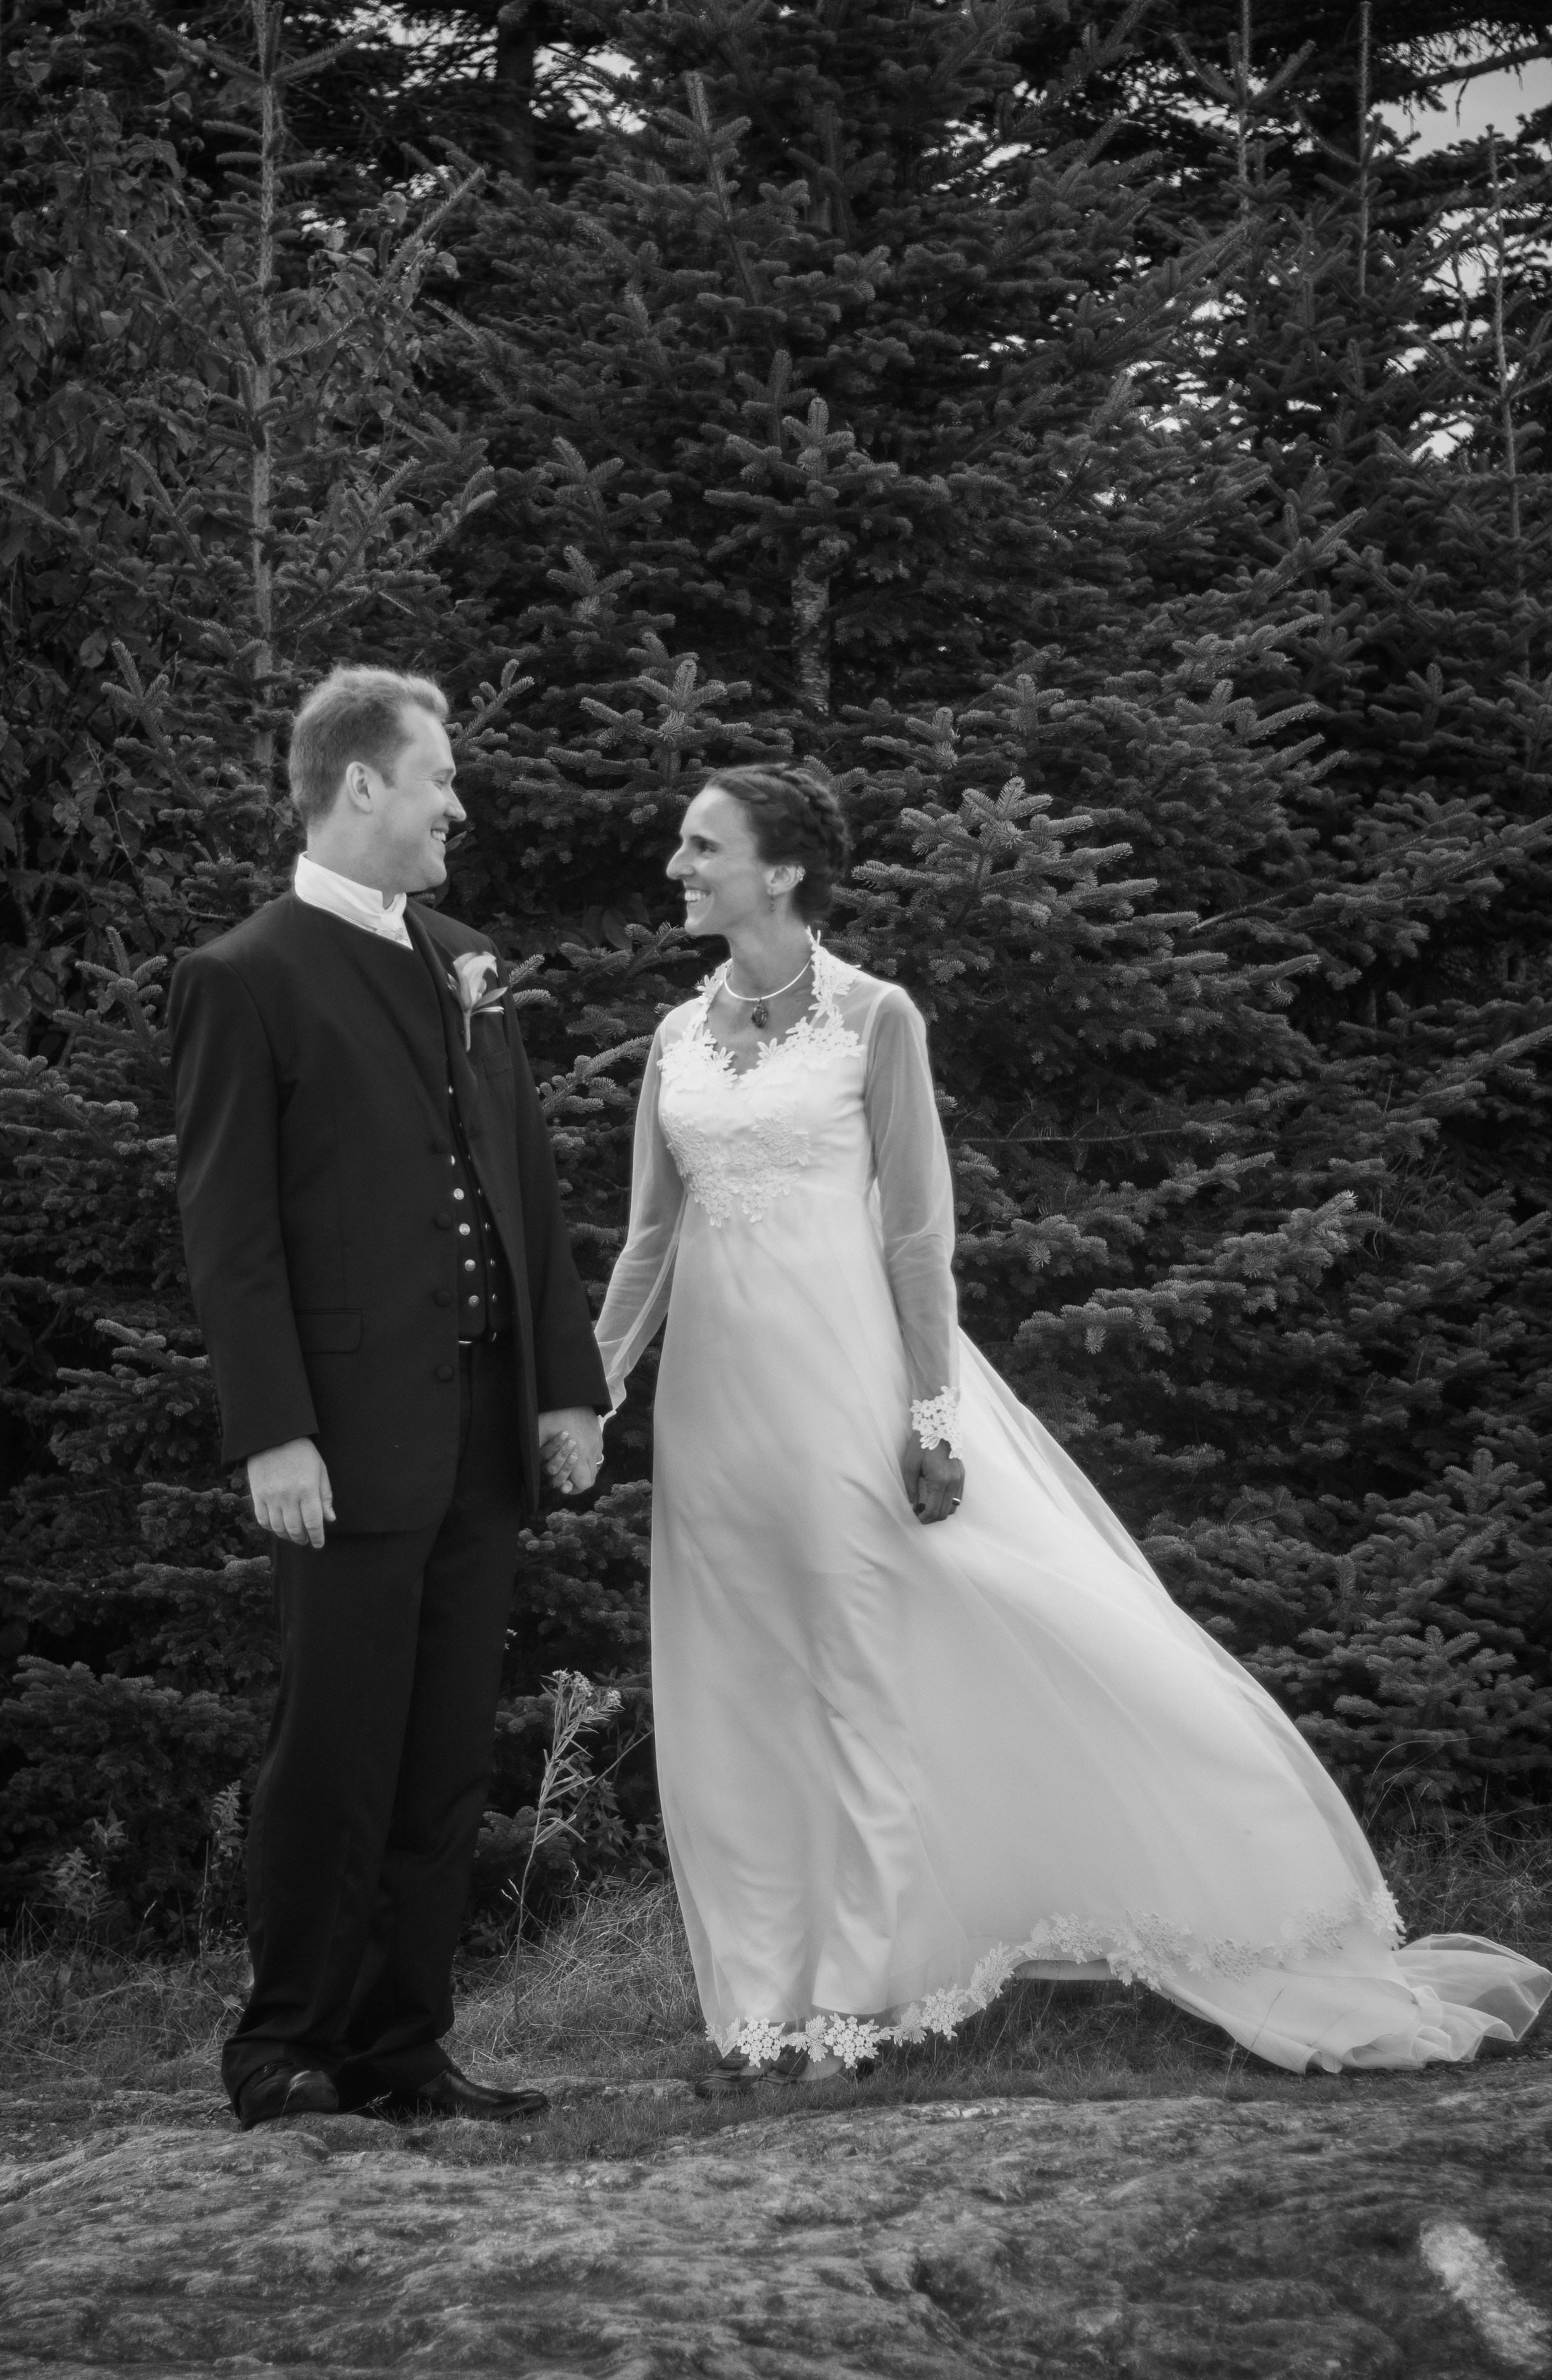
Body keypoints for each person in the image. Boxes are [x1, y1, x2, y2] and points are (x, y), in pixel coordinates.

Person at [588, 762, 1550, 2087]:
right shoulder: (673, 1037)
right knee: (737, 1696)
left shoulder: (877, 1021)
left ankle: (856, 2006)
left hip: (840, 1395)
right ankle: (758, 2009)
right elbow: (648, 1243)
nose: (677, 869)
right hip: (710, 1415)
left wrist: (930, 1418)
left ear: (784, 870)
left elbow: (919, 1246)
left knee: (863, 1691)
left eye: (703, 847)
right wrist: (589, 1396)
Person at [169, 665, 607, 2129]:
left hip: (483, 1435)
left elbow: (526, 1195)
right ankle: (280, 2046)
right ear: (361, 785)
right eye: (437, 779)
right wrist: (274, 1429)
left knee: (439, 1758)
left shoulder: (463, 957)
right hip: (344, 1443)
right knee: (332, 1750)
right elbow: (229, 1235)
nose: (454, 806)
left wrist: (564, 1387)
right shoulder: (246, 975)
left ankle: (400, 2047)